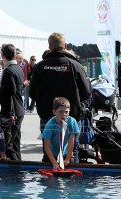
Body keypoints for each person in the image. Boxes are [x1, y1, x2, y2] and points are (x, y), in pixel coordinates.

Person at [29, 32, 91, 163]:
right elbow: (87, 93)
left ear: (49, 46)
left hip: (47, 117)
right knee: (72, 155)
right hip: (71, 116)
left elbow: (31, 94)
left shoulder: (40, 66)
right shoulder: (75, 65)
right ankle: (72, 181)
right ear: (65, 45)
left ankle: (49, 181)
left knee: (48, 153)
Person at [0, 44, 24, 160]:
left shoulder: (8, 71)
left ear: (3, 55)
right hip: (19, 109)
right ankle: (19, 169)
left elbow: (11, 90)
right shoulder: (18, 68)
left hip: (11, 112)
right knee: (15, 143)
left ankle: (15, 173)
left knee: (9, 145)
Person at [42, 97, 80, 171]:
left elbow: (71, 143)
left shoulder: (72, 122)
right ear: (54, 112)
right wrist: (54, 163)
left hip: (66, 153)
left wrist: (67, 159)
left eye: (66, 112)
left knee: (73, 166)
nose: (64, 115)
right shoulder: (50, 125)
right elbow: (46, 146)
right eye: (60, 112)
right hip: (53, 153)